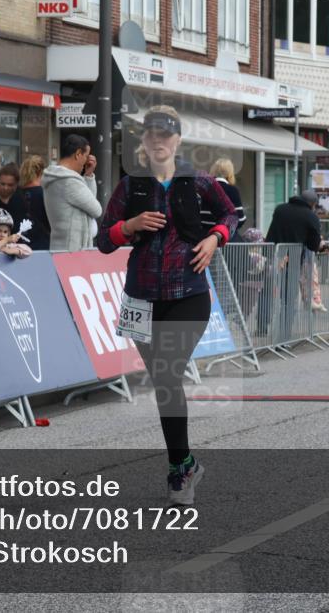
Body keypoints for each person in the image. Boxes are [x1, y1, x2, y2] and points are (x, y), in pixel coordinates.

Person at [96, 105, 237, 506]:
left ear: (177, 140)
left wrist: (215, 238)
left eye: (166, 134)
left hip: (189, 295)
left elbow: (231, 213)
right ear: (142, 142)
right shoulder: (130, 186)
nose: (158, 141)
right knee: (163, 383)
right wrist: (130, 226)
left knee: (168, 372)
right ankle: (186, 463)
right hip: (140, 297)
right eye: (151, 134)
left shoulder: (198, 180)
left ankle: (179, 472)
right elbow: (103, 240)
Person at [258, 189, 323, 339]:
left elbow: (272, 231)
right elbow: (314, 245)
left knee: (266, 293)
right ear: (313, 204)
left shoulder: (280, 209)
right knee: (288, 300)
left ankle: (261, 327)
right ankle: (283, 336)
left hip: (272, 256)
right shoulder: (311, 216)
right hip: (292, 261)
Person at [44, 134, 102, 252]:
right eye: (86, 156)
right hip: (73, 251)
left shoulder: (55, 177)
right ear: (78, 154)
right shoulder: (69, 181)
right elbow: (96, 210)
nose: (86, 161)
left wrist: (89, 175)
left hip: (60, 248)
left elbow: (88, 202)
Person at [205, 158, 246, 241]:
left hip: (205, 238)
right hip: (225, 239)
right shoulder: (232, 190)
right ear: (230, 173)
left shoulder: (205, 188)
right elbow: (240, 219)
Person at [18, 154, 51, 251]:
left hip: (19, 246)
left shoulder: (15, 194)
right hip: (42, 245)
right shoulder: (45, 194)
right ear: (40, 172)